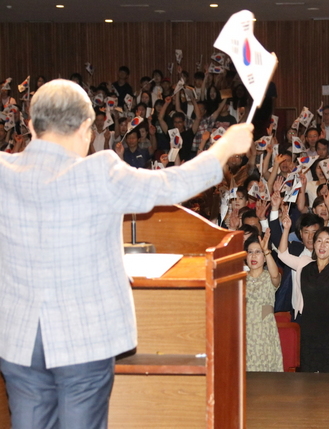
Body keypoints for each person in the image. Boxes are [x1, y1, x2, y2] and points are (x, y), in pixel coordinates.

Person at [0, 79, 254, 428]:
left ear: (30, 125)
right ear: (86, 127)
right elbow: (174, 183)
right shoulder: (98, 171)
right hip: (84, 339)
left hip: (17, 339)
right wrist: (224, 148)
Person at [277, 213, 329, 373]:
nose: (322, 245)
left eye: (327, 242)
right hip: (309, 327)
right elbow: (282, 255)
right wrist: (286, 229)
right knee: (308, 374)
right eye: (319, 240)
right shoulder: (304, 263)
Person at [244, 231, 283, 372]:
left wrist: (267, 251)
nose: (253, 256)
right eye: (250, 252)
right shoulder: (239, 279)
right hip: (245, 334)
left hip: (265, 334)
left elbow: (275, 276)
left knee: (266, 380)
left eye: (258, 252)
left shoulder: (269, 277)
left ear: (265, 258)